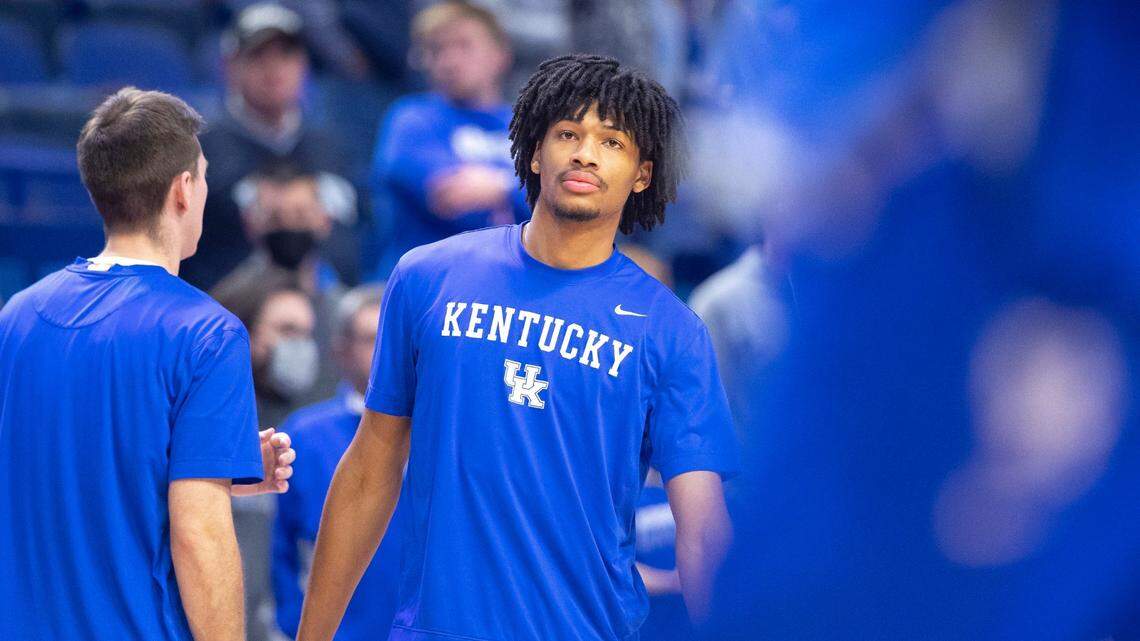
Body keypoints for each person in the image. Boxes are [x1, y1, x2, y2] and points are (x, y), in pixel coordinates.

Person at [298, 54, 738, 641]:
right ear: (534, 153)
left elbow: (702, 529)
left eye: (612, 142)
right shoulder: (428, 277)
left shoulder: (671, 331)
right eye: (568, 134)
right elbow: (369, 470)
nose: (585, 153)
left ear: (642, 175)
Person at [0, 87, 295, 640]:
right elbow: (199, 537)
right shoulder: (206, 333)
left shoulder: (16, 316)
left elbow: (70, 467)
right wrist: (204, 489)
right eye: (203, 177)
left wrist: (213, 465)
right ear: (183, 189)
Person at [181, 2, 359, 291]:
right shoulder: (202, 145)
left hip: (322, 301)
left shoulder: (328, 144)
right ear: (231, 66)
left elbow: (353, 232)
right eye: (258, 55)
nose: (273, 67)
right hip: (226, 302)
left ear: (303, 65)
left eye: (286, 54)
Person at [273, 285, 409, 641]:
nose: (385, 352)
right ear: (341, 350)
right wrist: (294, 625)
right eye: (371, 339)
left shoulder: (437, 434)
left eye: (393, 340)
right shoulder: (303, 436)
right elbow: (277, 547)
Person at [369, 0, 529, 276]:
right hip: (424, 283)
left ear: (500, 54)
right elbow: (450, 197)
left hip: (508, 283)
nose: (449, 61)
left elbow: (562, 198)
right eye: (437, 49)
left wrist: (500, 188)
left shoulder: (530, 128)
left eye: (464, 45)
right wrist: (521, 192)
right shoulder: (411, 118)